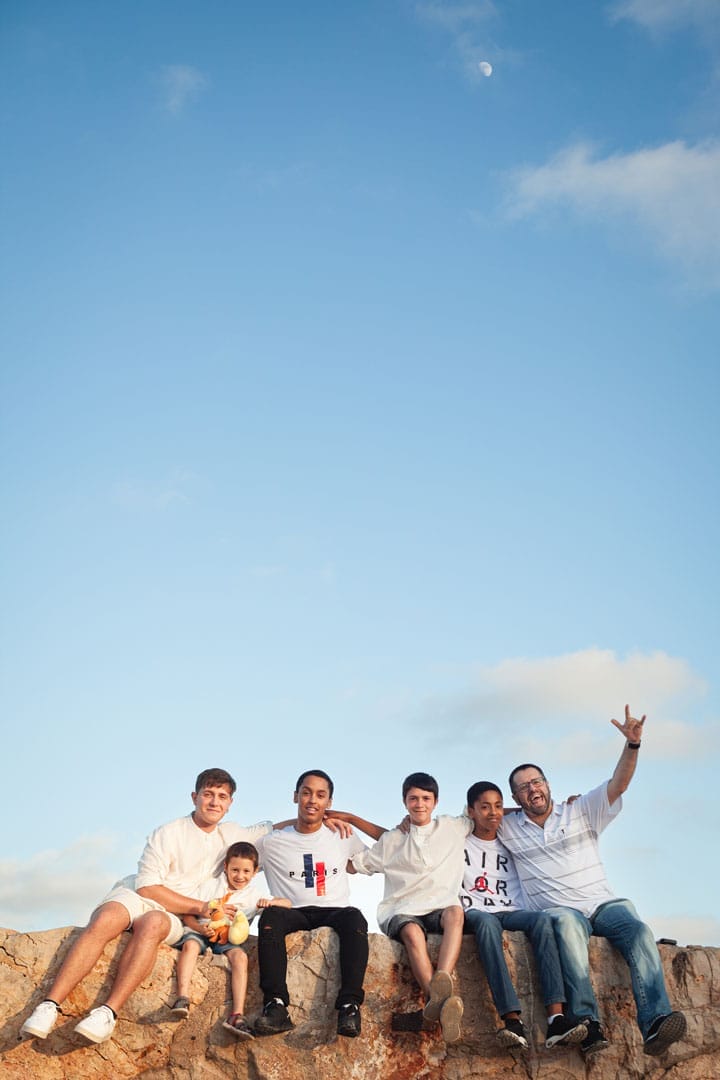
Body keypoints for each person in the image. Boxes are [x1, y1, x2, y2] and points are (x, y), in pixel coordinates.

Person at [21, 768, 275, 1044]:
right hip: (142, 893)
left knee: (153, 923)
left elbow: (276, 828)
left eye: (222, 797)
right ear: (195, 797)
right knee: (107, 918)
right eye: (208, 794)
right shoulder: (169, 832)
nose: (215, 802)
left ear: (230, 803)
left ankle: (107, 1013)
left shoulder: (231, 834)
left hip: (177, 915)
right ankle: (48, 1005)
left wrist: (314, 815)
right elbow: (147, 887)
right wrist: (202, 907)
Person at [501, 706, 687, 1058]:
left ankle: (655, 1021)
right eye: (523, 788)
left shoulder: (580, 810)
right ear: (515, 798)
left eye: (537, 782)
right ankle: (588, 1022)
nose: (532, 789)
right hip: (560, 911)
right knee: (568, 926)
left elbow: (619, 783)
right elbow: (476, 812)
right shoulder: (508, 828)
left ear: (548, 784)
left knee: (638, 931)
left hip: (603, 904)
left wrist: (632, 745)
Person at [253, 769, 384, 1040]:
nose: (313, 800)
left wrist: (351, 819)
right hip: (292, 911)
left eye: (320, 795)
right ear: (296, 796)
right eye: (306, 793)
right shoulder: (272, 842)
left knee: (355, 918)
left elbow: (385, 853)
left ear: (329, 802)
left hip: (334, 909)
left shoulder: (342, 835)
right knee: (270, 917)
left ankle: (349, 1006)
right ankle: (275, 1005)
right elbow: (236, 860)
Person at [462, 781, 587, 1051]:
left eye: (498, 806)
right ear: (470, 811)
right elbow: (418, 837)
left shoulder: (511, 839)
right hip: (476, 911)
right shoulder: (457, 840)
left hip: (512, 910)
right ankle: (512, 1020)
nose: (493, 813)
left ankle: (556, 1018)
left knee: (542, 920)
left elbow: (529, 815)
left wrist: (564, 808)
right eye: (485, 807)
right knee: (486, 925)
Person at [350, 772, 470, 1043]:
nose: (419, 804)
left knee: (456, 913)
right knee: (413, 934)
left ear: (436, 801)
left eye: (426, 798)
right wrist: (345, 822)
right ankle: (438, 999)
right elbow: (355, 865)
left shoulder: (452, 826)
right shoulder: (393, 839)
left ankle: (441, 982)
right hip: (401, 909)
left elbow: (489, 812)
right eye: (413, 798)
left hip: (439, 906)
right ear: (405, 802)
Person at [171, 841, 291, 1039]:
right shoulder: (210, 885)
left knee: (240, 958)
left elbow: (287, 903)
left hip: (228, 939)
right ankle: (182, 997)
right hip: (202, 931)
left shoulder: (253, 895)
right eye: (235, 870)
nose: (240, 876)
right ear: (225, 867)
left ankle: (236, 1015)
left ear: (255, 871)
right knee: (190, 945)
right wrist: (200, 928)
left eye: (246, 871)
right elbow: (188, 915)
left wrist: (270, 903)